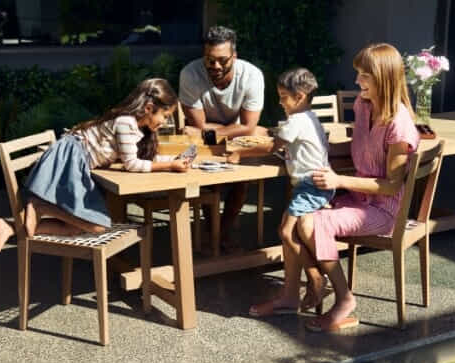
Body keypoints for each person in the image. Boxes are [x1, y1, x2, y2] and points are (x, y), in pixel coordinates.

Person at [250, 43, 421, 332]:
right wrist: (315, 149)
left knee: (311, 224)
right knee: (291, 225)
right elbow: (359, 148)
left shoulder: (399, 125)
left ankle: (344, 299)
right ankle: (289, 296)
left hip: (383, 210)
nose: (357, 82)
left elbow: (392, 186)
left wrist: (338, 180)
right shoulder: (363, 106)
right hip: (356, 199)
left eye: (364, 76)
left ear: (384, 78)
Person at [0, 78, 190, 252]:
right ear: (148, 108)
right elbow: (131, 164)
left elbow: (136, 158)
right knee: (96, 225)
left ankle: (11, 226)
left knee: (78, 226)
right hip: (72, 159)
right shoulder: (126, 123)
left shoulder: (134, 126)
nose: (165, 121)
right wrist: (170, 165)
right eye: (165, 115)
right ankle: (41, 206)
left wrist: (173, 160)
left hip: (78, 161)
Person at [248, 67, 333, 317]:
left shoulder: (296, 121)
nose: (280, 101)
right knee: (288, 231)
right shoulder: (309, 117)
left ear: (300, 96)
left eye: (284, 96)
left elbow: (271, 146)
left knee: (285, 231)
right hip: (314, 183)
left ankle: (316, 278)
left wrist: (236, 153)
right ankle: (300, 288)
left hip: (310, 184)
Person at [178, 25, 265, 251]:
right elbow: (198, 126)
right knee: (209, 181)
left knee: (241, 180)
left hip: (227, 138)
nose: (215, 66)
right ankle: (216, 233)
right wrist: (237, 129)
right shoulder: (190, 74)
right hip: (209, 139)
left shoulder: (252, 76)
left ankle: (221, 232)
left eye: (223, 60)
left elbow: (247, 126)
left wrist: (239, 130)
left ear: (234, 57)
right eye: (209, 60)